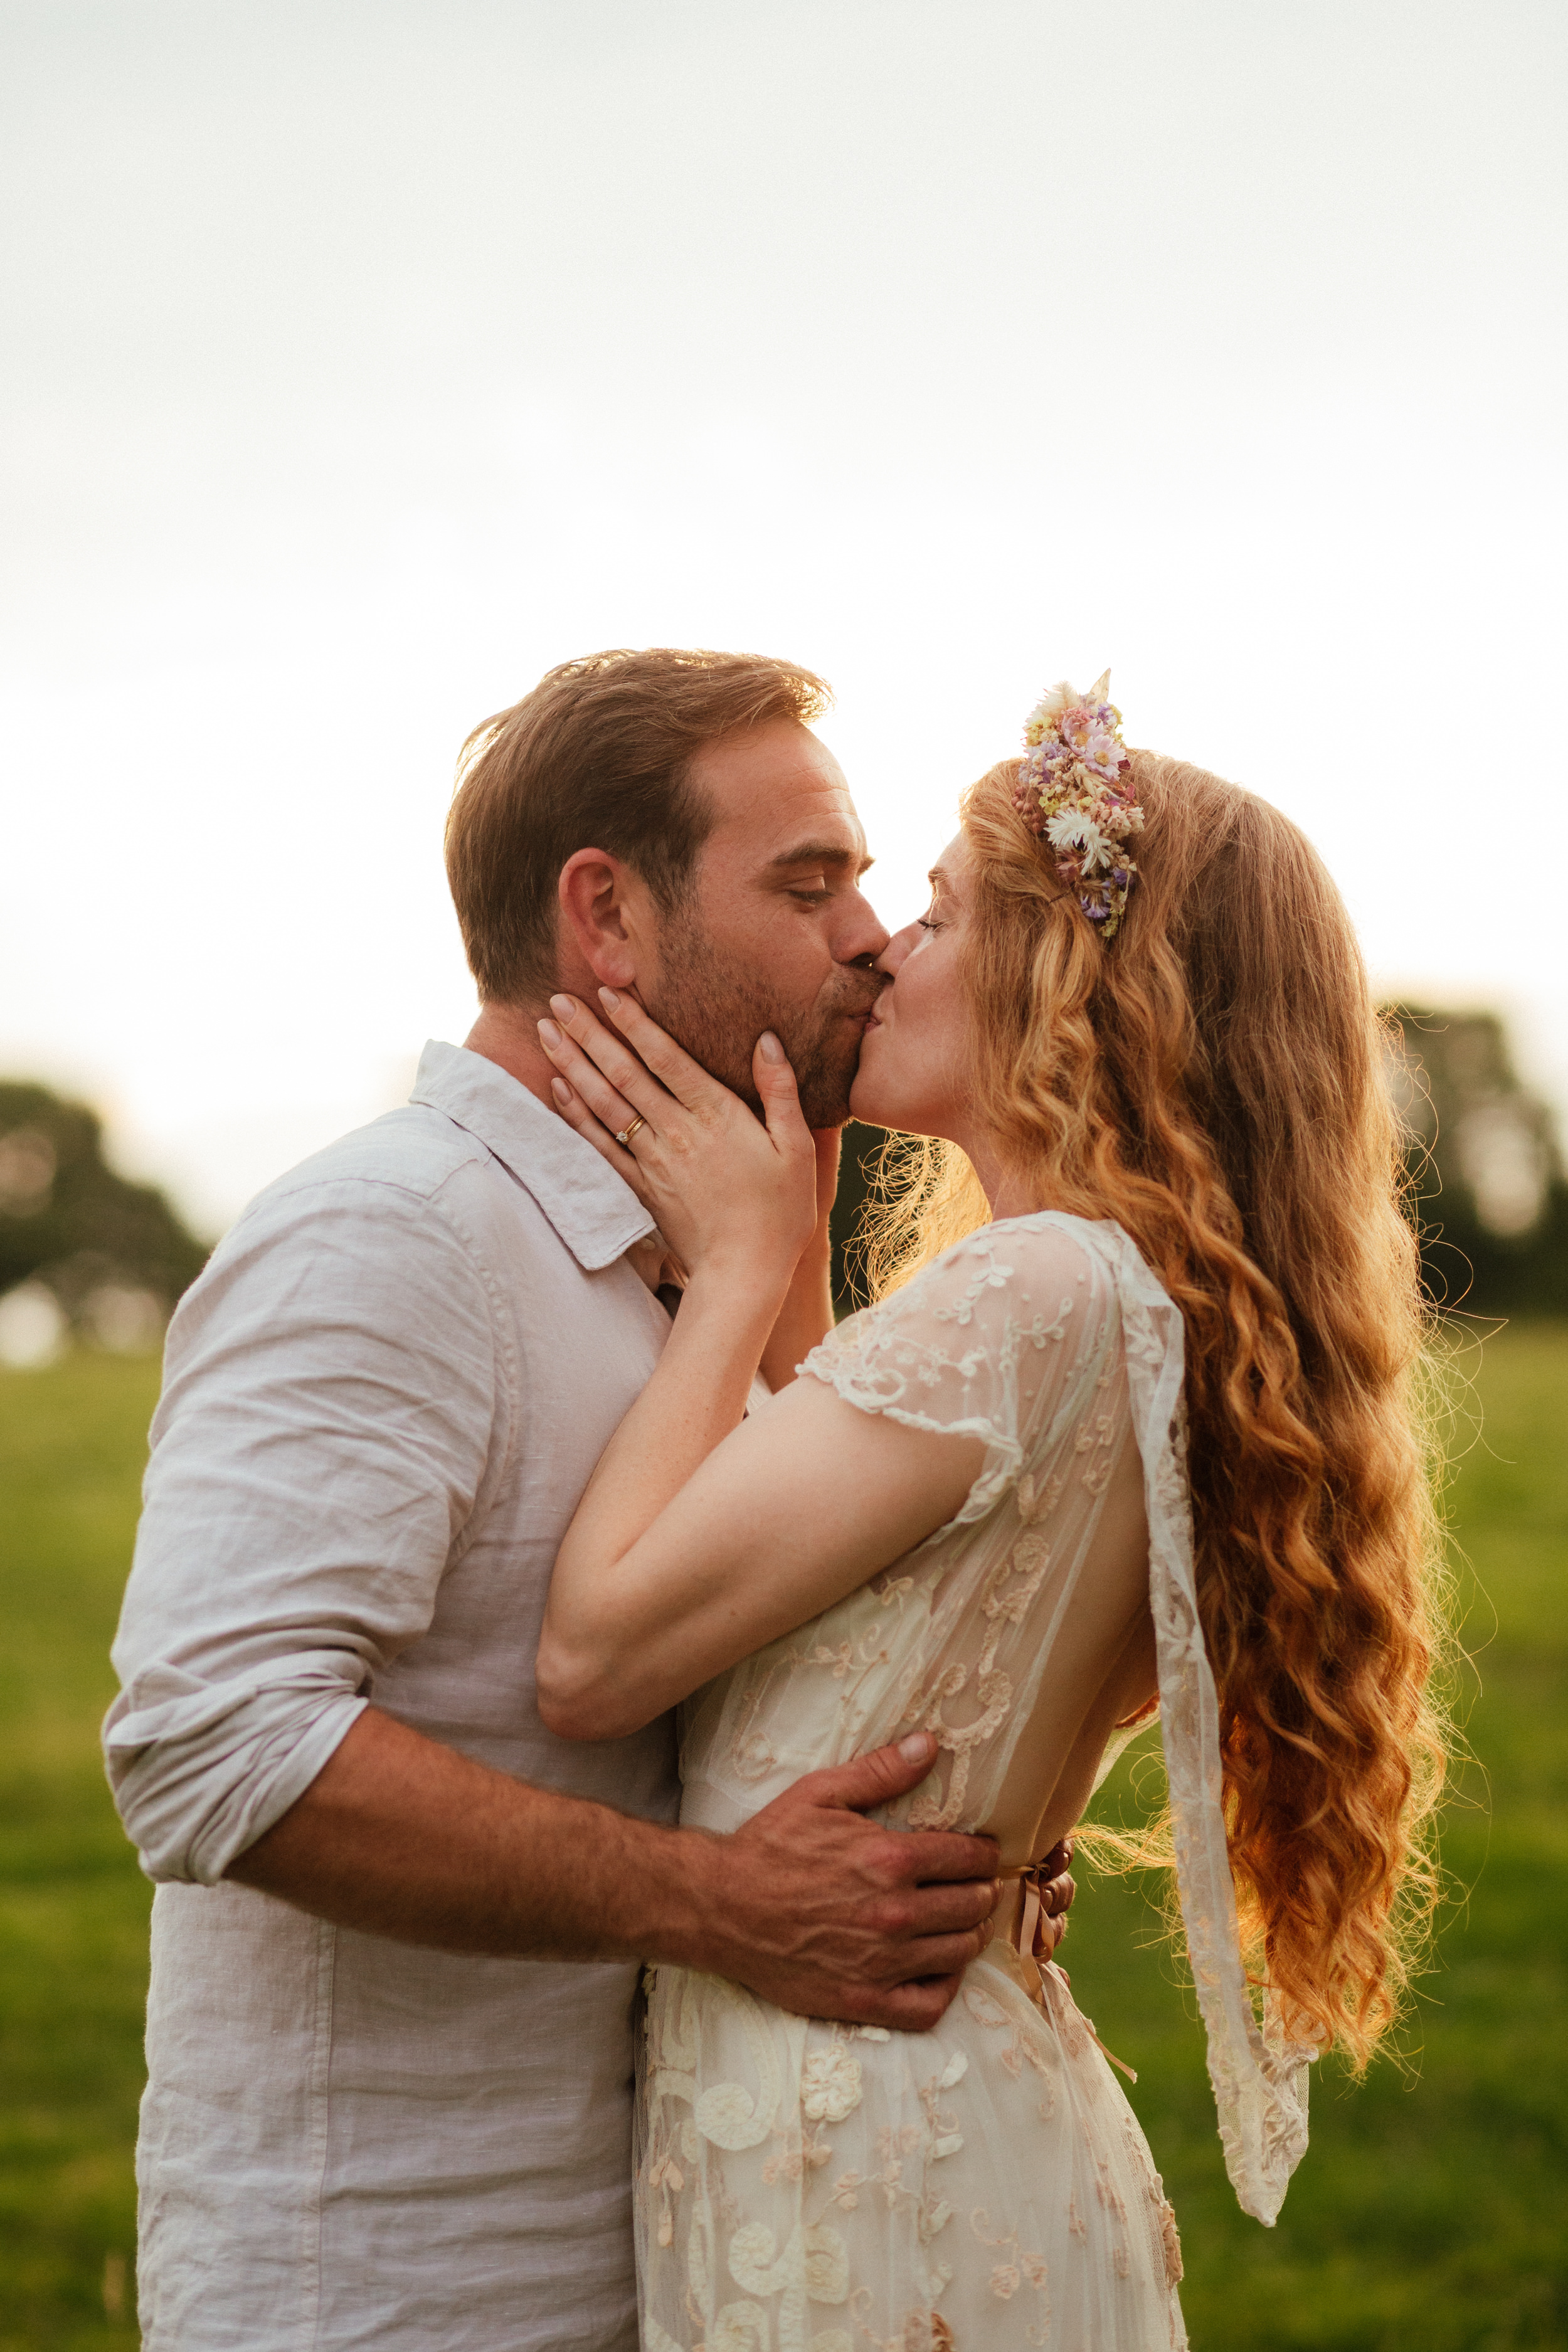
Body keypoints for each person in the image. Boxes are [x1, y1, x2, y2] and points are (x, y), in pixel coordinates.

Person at [104, 649, 1074, 2351]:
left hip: (681, 2254)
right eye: (807, 880)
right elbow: (208, 1746)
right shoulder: (396, 1233)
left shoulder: (692, 1271)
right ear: (603, 920)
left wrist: (947, 1847)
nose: (866, 933)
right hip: (394, 2289)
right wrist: (723, 1904)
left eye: (858, 881)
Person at [534, 674, 1448, 2351]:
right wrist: (797, 1231)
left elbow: (594, 1654)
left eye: (943, 909)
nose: (884, 946)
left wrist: (734, 1264)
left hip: (855, 2154)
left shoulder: (1034, 1294)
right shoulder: (1126, 1304)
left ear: (1072, 975)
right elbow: (860, 1562)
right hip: (936, 2107)